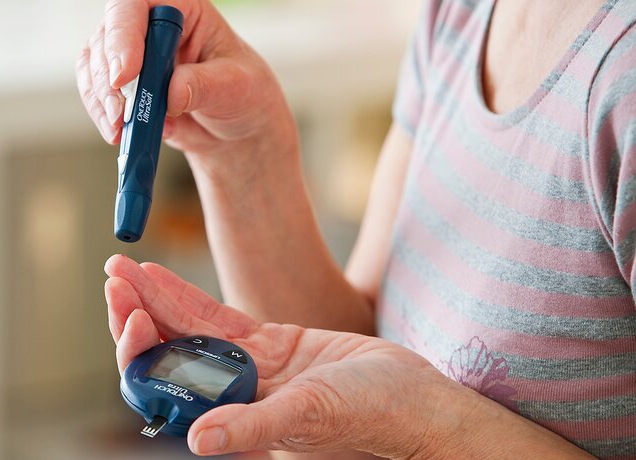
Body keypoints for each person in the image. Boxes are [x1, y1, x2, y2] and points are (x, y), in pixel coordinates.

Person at [76, 0, 636, 458]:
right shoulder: (459, 14)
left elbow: (389, 409)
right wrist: (243, 152)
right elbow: (362, 359)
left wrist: (427, 427)